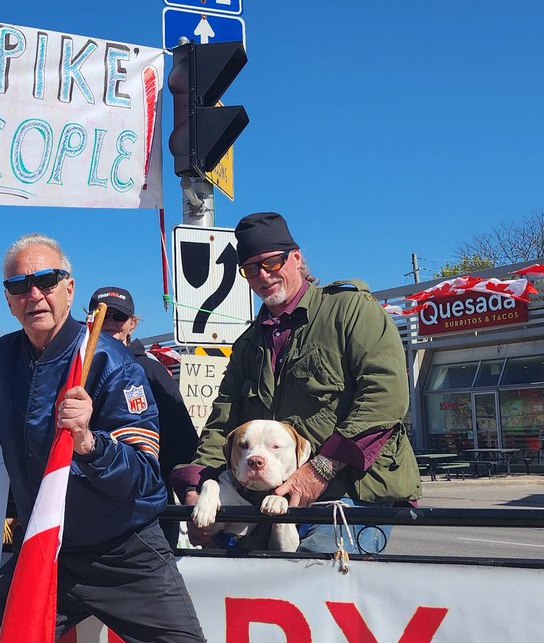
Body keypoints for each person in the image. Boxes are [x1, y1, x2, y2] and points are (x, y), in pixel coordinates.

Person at [0, 234, 291, 643]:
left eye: (46, 281)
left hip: (125, 553)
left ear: (69, 289)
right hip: (48, 555)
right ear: (7, 298)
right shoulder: (3, 356)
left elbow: (142, 475)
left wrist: (91, 442)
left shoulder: (112, 362)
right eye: (19, 285)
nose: (34, 294)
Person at [170, 212, 420, 554]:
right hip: (267, 505)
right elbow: (222, 424)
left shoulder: (349, 311)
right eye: (251, 269)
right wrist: (197, 489)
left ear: (297, 258)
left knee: (314, 577)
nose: (263, 276)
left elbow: (385, 399)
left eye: (272, 262)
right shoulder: (247, 344)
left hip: (348, 497)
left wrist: (319, 470)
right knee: (249, 591)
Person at [90, 285, 199, 550]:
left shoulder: (150, 370)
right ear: (90, 319)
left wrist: (189, 490)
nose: (110, 323)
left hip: (146, 508)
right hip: (89, 507)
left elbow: (182, 440)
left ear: (132, 324)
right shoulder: (73, 369)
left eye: (119, 317)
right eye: (102, 315)